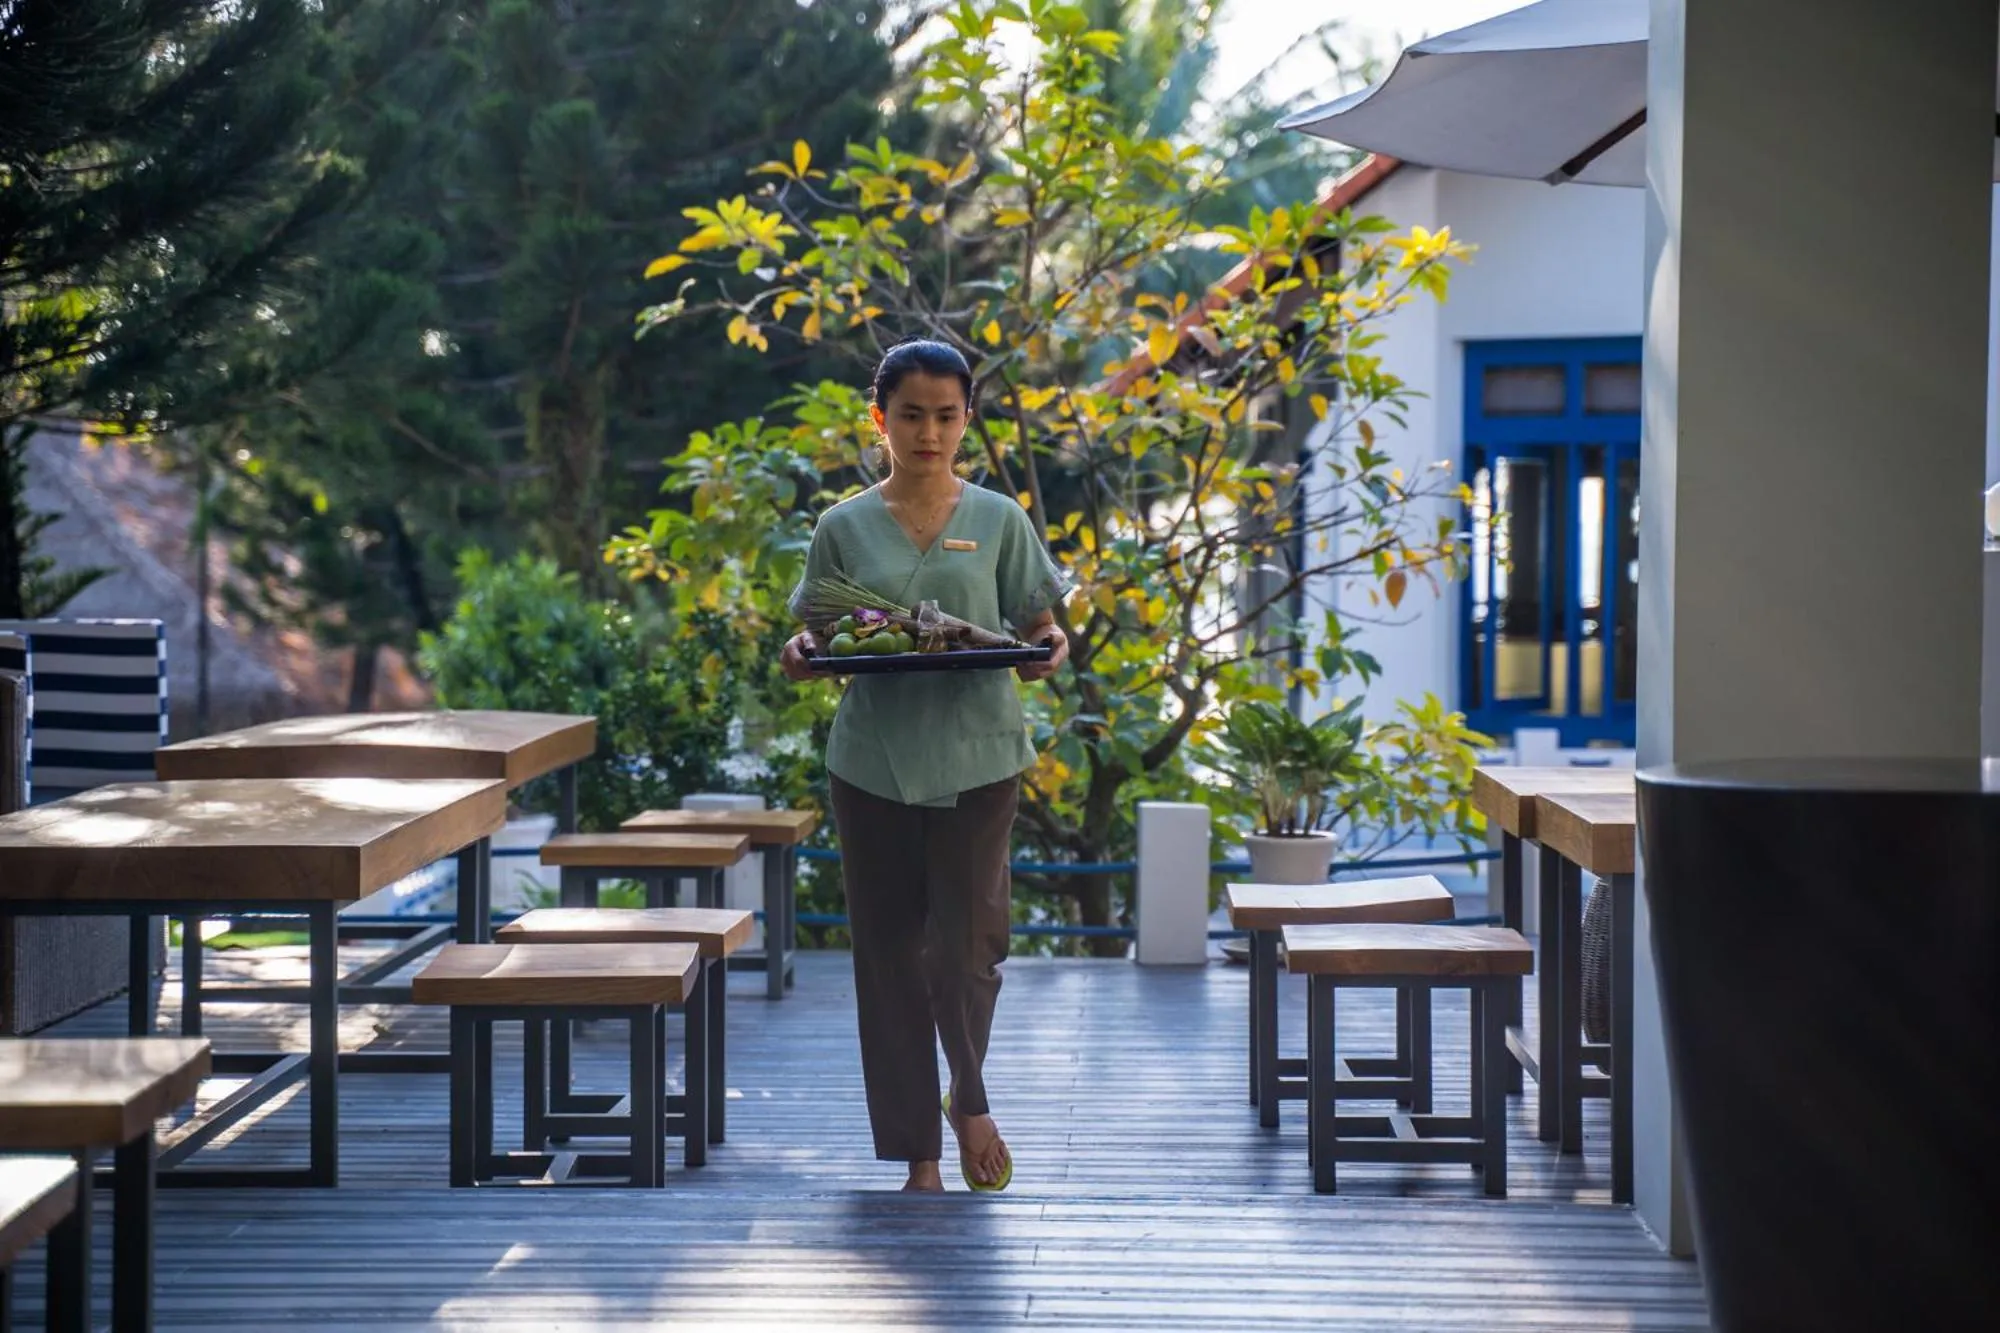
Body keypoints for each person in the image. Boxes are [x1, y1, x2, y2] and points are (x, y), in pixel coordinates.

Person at [780, 339, 1070, 1193]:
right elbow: (811, 639)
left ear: (966, 419)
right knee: (889, 955)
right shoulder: (842, 526)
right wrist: (802, 653)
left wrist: (1046, 649)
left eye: (946, 415)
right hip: (871, 765)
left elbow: (1043, 627)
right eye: (911, 415)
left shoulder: (1000, 519)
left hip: (980, 758)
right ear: (881, 420)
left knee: (971, 946)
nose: (929, 432)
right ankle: (918, 1155)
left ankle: (968, 1095)